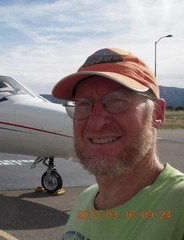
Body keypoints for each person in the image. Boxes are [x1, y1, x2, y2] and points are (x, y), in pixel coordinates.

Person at [52, 48, 184, 240]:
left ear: (157, 114)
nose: (96, 123)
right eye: (83, 104)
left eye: (116, 101)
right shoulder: (87, 199)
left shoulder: (178, 206)